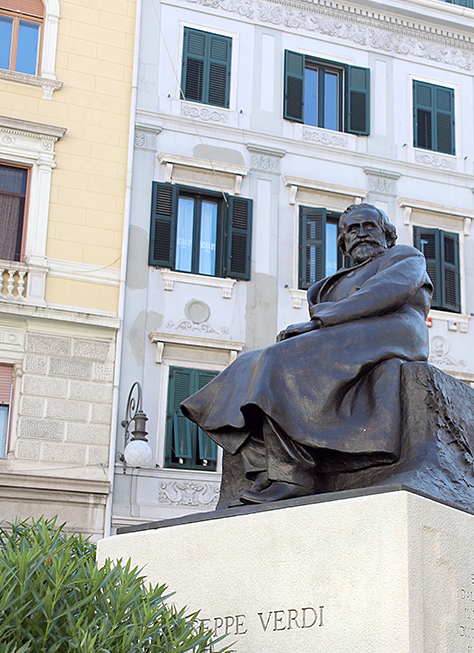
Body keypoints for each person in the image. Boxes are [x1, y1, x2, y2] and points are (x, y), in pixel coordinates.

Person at [181, 203, 433, 505]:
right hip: (343, 333)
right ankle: (265, 464)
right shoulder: (330, 284)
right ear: (343, 242)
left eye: (370, 227)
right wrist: (318, 326)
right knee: (249, 362)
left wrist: (319, 322)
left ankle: (293, 473)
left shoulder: (404, 256)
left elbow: (385, 292)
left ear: (387, 235)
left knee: (277, 359)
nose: (362, 234)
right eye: (353, 229)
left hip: (392, 330)